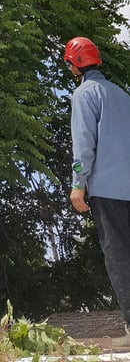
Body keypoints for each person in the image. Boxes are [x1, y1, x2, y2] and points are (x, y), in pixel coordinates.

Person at [65, 35, 130, 347]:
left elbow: (83, 145)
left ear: (75, 65)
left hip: (108, 189)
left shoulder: (84, 94)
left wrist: (78, 184)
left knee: (118, 256)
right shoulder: (121, 94)